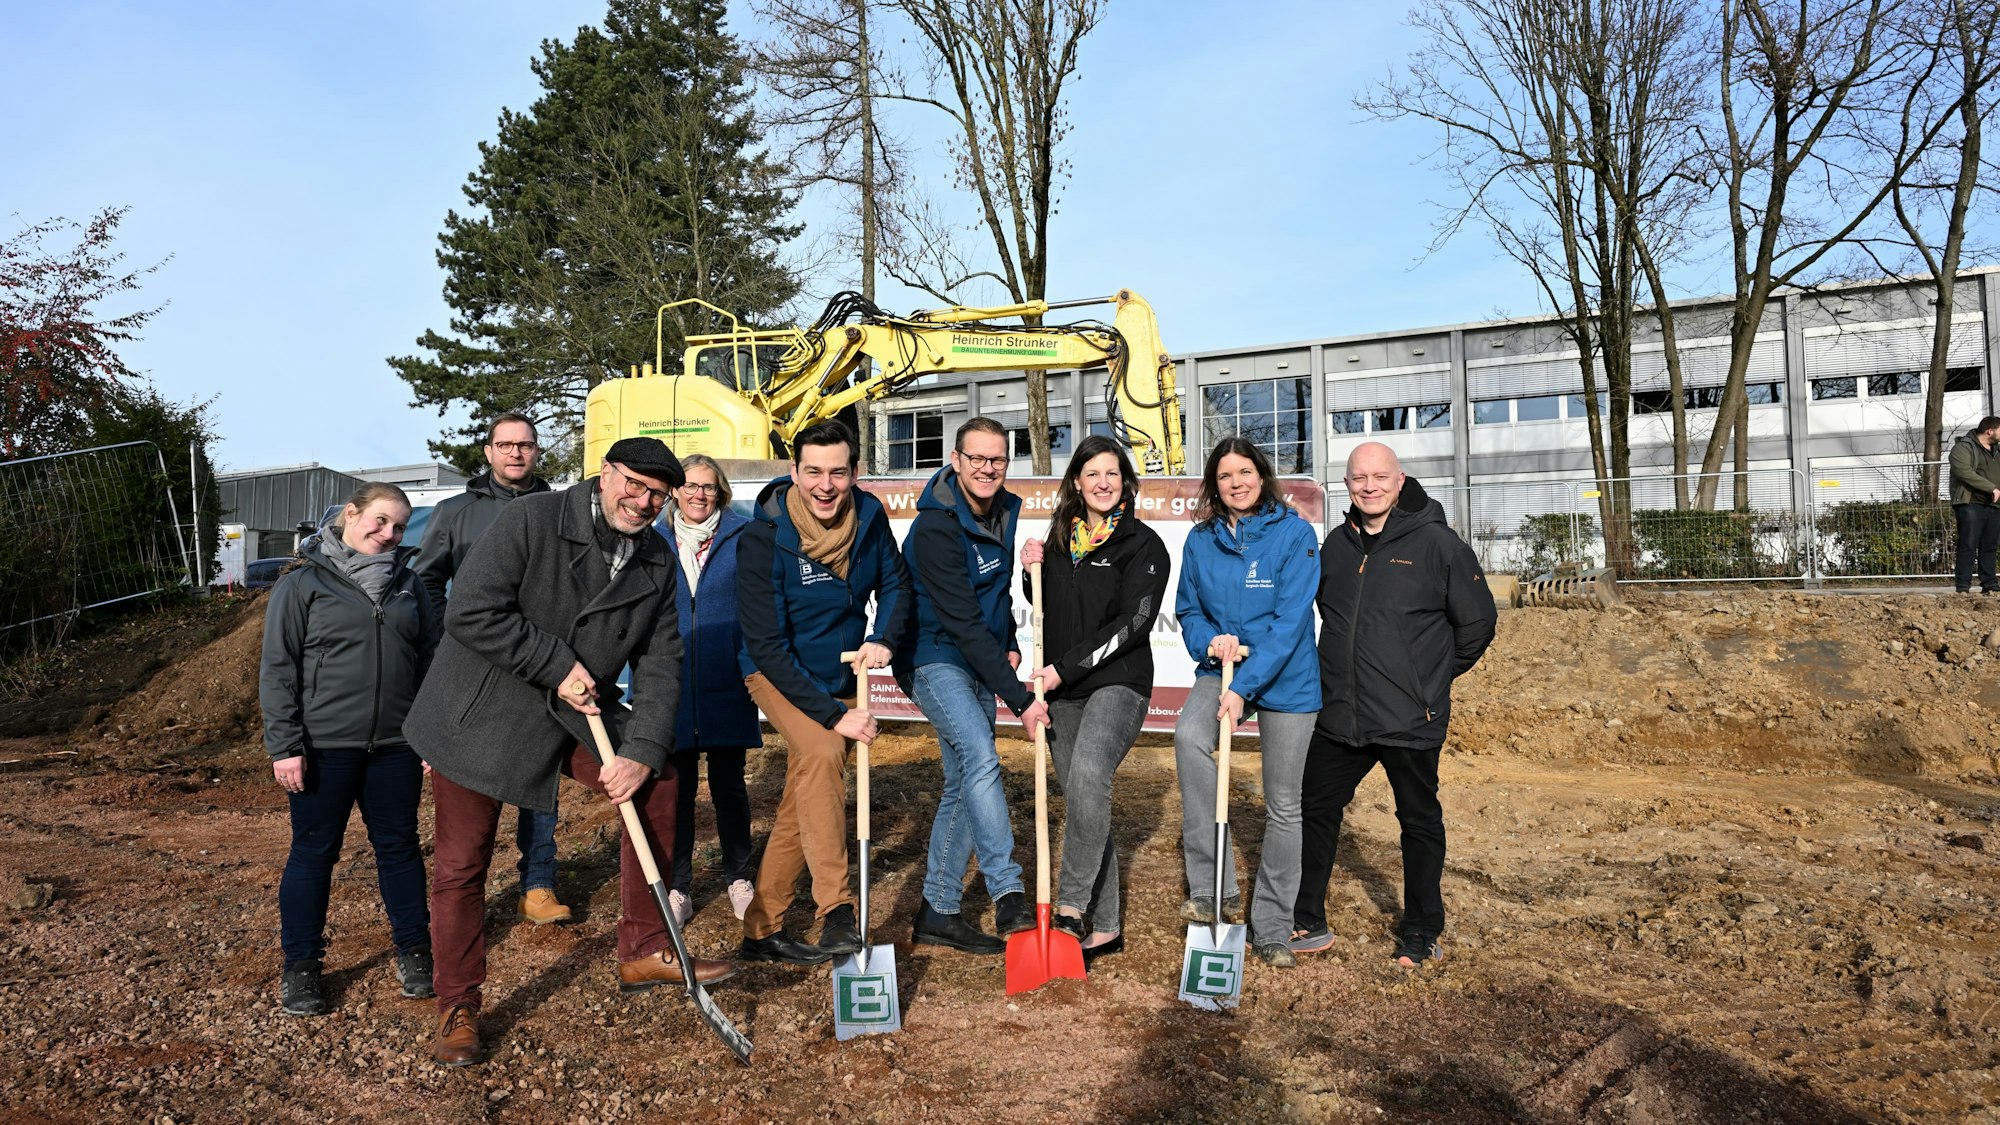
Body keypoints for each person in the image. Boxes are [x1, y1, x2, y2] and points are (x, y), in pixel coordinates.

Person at [403, 437, 734, 1067]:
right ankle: (458, 1003)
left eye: (657, 495)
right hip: (484, 705)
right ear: (605, 474)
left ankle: (643, 947)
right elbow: (469, 612)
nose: (643, 502)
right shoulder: (531, 520)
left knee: (657, 780)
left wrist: (641, 749)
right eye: (633, 485)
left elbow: (663, 665)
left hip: (576, 712)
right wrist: (556, 663)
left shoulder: (657, 559)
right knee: (462, 862)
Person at [1291, 441, 1496, 968]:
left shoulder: (1438, 545)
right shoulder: (1336, 546)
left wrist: (1427, 678)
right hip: (1341, 715)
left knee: (1418, 821)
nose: (1369, 486)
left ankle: (1421, 930)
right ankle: (1306, 917)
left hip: (1410, 716)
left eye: (1379, 476)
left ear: (1399, 480)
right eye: (1359, 478)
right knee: (1314, 808)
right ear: (1346, 484)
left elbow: (1476, 625)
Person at [734, 420, 913, 966]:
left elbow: (898, 584)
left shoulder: (870, 518)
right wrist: (833, 717)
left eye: (838, 471)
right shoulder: (762, 537)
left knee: (804, 792)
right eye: (813, 471)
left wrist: (882, 637)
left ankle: (761, 929)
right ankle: (836, 907)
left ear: (854, 473)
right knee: (820, 751)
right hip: (776, 672)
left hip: (838, 671)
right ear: (794, 472)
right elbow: (765, 645)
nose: (825, 484)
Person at [260, 482, 440, 1016]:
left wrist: (431, 735)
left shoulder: (411, 586)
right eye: (380, 521)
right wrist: (285, 745)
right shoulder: (303, 586)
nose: (388, 534)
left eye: (399, 528)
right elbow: (277, 670)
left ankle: (415, 952)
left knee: (400, 850)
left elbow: (431, 664)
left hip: (395, 747)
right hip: (322, 748)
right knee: (314, 855)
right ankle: (301, 967)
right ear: (351, 515)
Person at [897, 417, 1048, 954]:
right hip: (933, 655)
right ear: (956, 460)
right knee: (981, 756)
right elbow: (959, 618)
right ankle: (1007, 891)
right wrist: (1022, 698)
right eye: (977, 458)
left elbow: (996, 592)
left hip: (980, 654)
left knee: (964, 780)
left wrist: (1006, 635)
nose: (987, 468)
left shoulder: (1005, 508)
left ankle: (938, 910)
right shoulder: (935, 527)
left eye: (997, 460)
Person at [413, 412, 570, 926]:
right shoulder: (456, 512)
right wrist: (444, 639)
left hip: (543, 662)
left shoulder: (561, 509)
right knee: (472, 777)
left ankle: (539, 883)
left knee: (540, 769)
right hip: (479, 663)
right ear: (488, 452)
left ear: (537, 451)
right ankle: (466, 889)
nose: (516, 454)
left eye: (525, 445)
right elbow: (428, 581)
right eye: (505, 445)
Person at [1018, 436, 1170, 966]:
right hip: (1062, 690)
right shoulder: (1060, 538)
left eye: (1113, 473)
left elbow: (1132, 625)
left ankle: (1070, 906)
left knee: (1087, 777)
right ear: (1077, 483)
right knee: (1085, 799)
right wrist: (1028, 570)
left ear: (1125, 482)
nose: (1103, 482)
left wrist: (1065, 669)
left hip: (1117, 683)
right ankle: (1104, 927)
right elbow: (1046, 605)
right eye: (1092, 473)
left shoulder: (1143, 545)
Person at [1173, 436, 1322, 968]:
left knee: (1283, 803)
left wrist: (1242, 690)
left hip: (1286, 677)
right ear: (1214, 485)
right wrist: (1209, 640)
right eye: (1224, 476)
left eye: (1245, 473)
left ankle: (1274, 926)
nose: (1236, 484)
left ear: (1262, 475)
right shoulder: (1201, 541)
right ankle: (1214, 888)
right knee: (1189, 737)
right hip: (1225, 668)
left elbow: (1289, 627)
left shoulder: (1295, 535)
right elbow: (1188, 611)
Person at [661, 455, 760, 927]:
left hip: (726, 680)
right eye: (690, 486)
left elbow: (758, 605)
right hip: (672, 683)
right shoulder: (655, 541)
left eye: (708, 487)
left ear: (720, 492)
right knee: (676, 790)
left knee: (729, 788)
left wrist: (751, 665)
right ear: (675, 493)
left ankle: (739, 877)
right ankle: (679, 886)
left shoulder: (742, 536)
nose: (699, 494)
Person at [1949, 415, 2000, 595]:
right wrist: (1991, 487)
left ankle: (1990, 584)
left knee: (1990, 546)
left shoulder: (1996, 450)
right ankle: (1963, 586)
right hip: (1970, 503)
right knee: (1968, 544)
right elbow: (1964, 472)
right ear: (1990, 431)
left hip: (1993, 505)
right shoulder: (1963, 448)